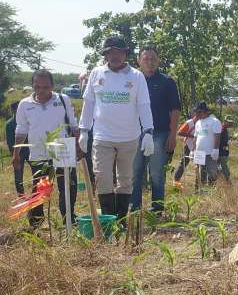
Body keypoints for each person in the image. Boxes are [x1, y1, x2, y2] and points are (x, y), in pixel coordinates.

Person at [78, 36, 154, 227]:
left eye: (119, 52)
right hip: (102, 136)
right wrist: (84, 131)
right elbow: (89, 104)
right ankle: (108, 220)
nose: (115, 56)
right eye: (111, 52)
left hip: (129, 137)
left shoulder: (136, 76)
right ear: (105, 54)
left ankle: (121, 220)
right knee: (102, 177)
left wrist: (149, 132)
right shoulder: (97, 73)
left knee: (125, 179)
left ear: (125, 54)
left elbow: (144, 105)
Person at [12, 70, 79, 227]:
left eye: (45, 87)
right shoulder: (25, 104)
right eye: (37, 87)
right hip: (39, 152)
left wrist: (79, 145)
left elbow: (74, 126)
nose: (41, 91)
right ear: (33, 86)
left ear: (52, 86)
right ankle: (36, 223)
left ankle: (68, 219)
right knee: (41, 190)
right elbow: (21, 130)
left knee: (67, 187)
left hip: (62, 149)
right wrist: (16, 154)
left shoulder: (63, 100)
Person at [131, 46, 181, 214]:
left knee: (157, 173)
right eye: (146, 59)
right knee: (134, 172)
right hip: (134, 133)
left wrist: (173, 135)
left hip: (159, 133)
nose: (149, 62)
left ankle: (157, 209)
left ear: (158, 61)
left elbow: (175, 109)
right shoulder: (132, 80)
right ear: (139, 61)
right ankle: (134, 208)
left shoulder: (167, 82)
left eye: (153, 59)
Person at [191, 102, 221, 185]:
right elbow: (195, 137)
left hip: (210, 153)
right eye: (196, 112)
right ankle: (199, 192)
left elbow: (217, 136)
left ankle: (211, 194)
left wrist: (215, 150)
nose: (197, 114)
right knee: (199, 173)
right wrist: (192, 150)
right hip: (199, 153)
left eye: (199, 112)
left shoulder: (214, 121)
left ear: (205, 111)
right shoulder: (198, 123)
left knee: (212, 174)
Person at [6, 101, 30, 195]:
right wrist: (14, 155)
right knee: (18, 173)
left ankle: (38, 191)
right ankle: (21, 194)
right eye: (17, 109)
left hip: (29, 149)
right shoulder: (9, 124)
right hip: (18, 152)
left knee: (37, 169)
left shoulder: (27, 121)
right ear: (13, 110)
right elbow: (10, 141)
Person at [173, 109, 198, 184]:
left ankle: (199, 183)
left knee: (199, 165)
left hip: (197, 146)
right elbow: (180, 132)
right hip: (188, 145)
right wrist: (192, 136)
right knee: (184, 163)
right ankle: (176, 180)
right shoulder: (189, 123)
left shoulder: (201, 123)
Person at [218, 115, 233, 184]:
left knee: (221, 167)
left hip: (224, 152)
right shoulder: (221, 129)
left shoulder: (225, 129)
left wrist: (227, 151)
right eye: (229, 122)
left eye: (231, 122)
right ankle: (227, 181)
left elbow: (225, 142)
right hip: (220, 152)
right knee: (224, 167)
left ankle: (225, 180)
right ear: (224, 121)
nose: (230, 124)